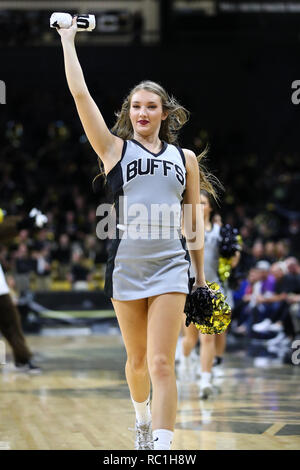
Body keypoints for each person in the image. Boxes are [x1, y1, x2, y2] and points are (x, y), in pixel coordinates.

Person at [57, 17, 218, 450]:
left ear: (165, 113)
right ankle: (142, 418)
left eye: (150, 106)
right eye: (135, 106)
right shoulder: (113, 149)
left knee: (162, 363)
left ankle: (163, 449)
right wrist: (68, 39)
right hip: (126, 266)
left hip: (170, 267)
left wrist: (200, 279)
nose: (142, 113)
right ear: (129, 113)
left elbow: (193, 224)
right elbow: (79, 93)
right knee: (138, 362)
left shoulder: (184, 158)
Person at [179, 190, 240, 399]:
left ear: (210, 207)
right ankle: (185, 359)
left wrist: (233, 251)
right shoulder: (184, 229)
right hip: (188, 288)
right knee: (190, 339)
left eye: (204, 202)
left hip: (214, 291)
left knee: (209, 338)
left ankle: (205, 379)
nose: (200, 206)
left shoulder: (220, 232)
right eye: (197, 203)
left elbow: (232, 260)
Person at [0, 210, 44, 373]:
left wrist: (28, 221)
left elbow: (6, 224)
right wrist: (24, 223)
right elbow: (5, 229)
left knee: (12, 323)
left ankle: (23, 359)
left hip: (1, 289)